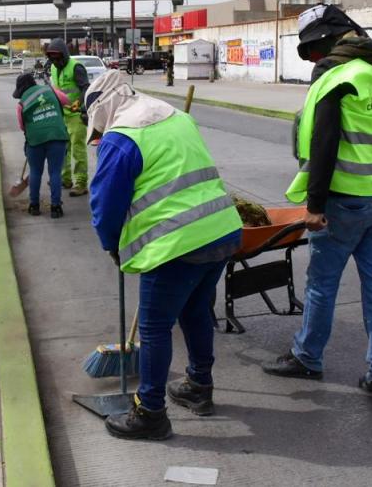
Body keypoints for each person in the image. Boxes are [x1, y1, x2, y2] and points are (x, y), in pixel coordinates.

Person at [261, 5, 372, 406]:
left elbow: (324, 145)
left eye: (314, 52)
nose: (315, 61)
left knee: (322, 284)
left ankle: (307, 356)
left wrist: (314, 206)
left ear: (326, 43)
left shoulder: (338, 79)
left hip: (343, 203)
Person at [87, 70, 243, 441]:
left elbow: (106, 206)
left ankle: (150, 413)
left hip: (177, 245)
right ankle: (199, 387)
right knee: (196, 311)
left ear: (102, 110)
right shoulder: (174, 115)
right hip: (221, 230)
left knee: (156, 328)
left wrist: (112, 244)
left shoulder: (121, 138)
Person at [13, 72, 70, 218]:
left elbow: (22, 126)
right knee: (55, 172)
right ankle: (56, 207)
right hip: (57, 137)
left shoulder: (21, 103)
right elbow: (66, 100)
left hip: (35, 140)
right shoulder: (50, 90)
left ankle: (34, 206)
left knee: (35, 172)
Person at [46, 38, 90, 197]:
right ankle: (65, 178)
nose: (55, 61)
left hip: (76, 116)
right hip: (60, 115)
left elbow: (86, 88)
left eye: (58, 58)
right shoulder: (52, 67)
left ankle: (81, 183)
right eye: (52, 58)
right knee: (62, 149)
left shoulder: (76, 67)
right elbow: (54, 89)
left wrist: (79, 103)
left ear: (64, 55)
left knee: (77, 150)